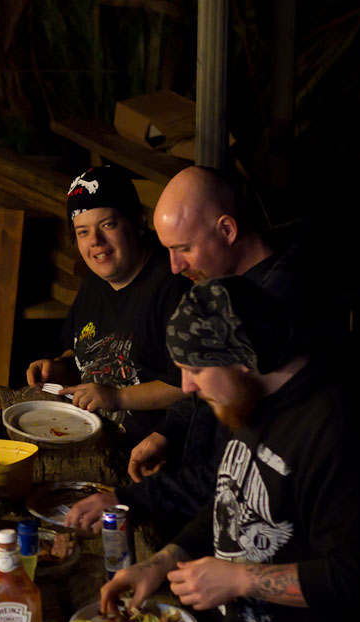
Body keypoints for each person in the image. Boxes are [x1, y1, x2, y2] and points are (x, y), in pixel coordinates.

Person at [100, 276, 360, 622]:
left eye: (196, 369)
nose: (187, 387)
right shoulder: (249, 397)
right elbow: (227, 500)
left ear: (243, 356)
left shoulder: (337, 429)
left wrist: (238, 579)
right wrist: (160, 563)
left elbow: (358, 576)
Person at [65, 166, 311, 535]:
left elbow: (236, 469)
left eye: (183, 249)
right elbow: (207, 405)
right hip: (203, 509)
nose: (175, 266)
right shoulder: (224, 290)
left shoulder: (269, 316)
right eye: (169, 250)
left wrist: (138, 502)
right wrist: (171, 430)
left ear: (227, 230)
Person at [25, 166, 189, 443]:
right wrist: (57, 368)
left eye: (107, 225)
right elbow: (82, 355)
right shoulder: (94, 284)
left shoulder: (173, 285)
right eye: (83, 232)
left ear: (138, 221)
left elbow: (191, 385)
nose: (95, 241)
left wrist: (118, 397)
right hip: (90, 437)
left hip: (151, 450)